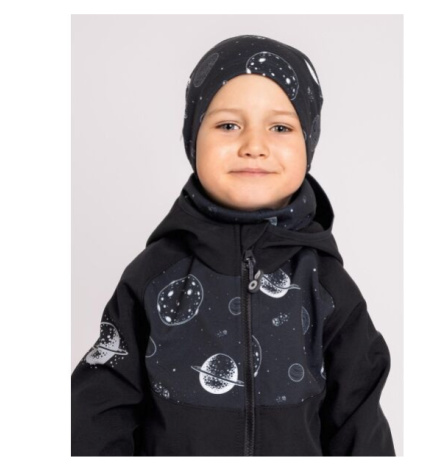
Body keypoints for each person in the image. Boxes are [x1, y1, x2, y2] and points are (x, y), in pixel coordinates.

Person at [71, 34, 396, 456]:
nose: (254, 147)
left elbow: (360, 424)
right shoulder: (152, 277)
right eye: (228, 125)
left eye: (280, 127)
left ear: (308, 143)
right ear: (193, 137)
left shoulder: (326, 286)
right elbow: (97, 412)